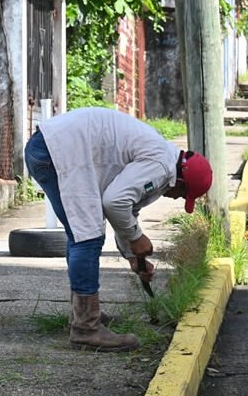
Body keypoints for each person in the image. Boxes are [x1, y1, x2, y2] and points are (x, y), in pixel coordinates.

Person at [24, 107, 212, 352]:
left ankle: (84, 315)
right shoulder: (161, 166)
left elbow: (126, 211)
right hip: (58, 152)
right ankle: (86, 329)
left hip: (51, 147)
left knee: (80, 234)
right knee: (87, 238)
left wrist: (134, 256)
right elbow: (115, 202)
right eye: (182, 195)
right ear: (182, 182)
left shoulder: (162, 158)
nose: (176, 199)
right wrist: (137, 237)